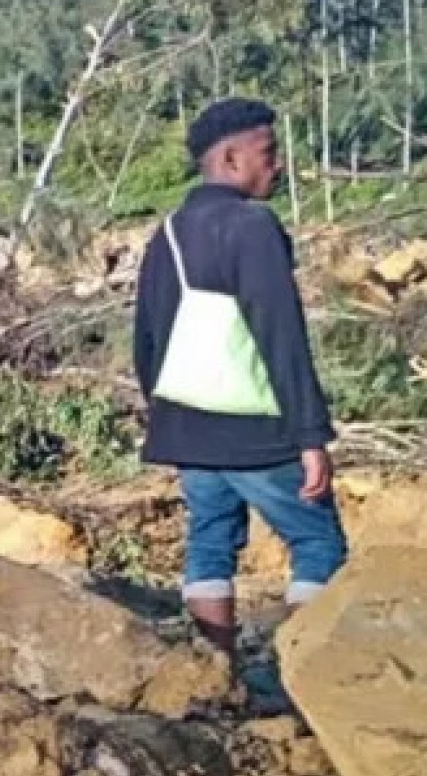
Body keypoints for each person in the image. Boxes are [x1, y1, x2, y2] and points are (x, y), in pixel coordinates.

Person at [132, 97, 347, 655]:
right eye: (268, 153)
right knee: (317, 542)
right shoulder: (253, 226)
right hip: (257, 431)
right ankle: (306, 677)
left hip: (188, 428)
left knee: (209, 545)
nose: (277, 166)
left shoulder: (169, 232)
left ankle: (216, 672)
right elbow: (281, 335)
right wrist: (311, 437)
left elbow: (147, 339)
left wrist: (168, 417)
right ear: (230, 160)